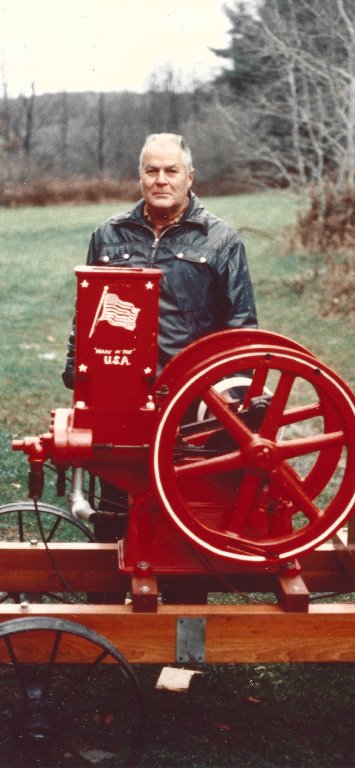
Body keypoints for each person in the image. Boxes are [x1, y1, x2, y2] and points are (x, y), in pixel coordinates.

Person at [62, 132, 258, 543]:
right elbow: (86, 313)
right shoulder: (109, 234)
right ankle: (109, 576)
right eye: (152, 171)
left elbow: (241, 327)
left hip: (188, 401)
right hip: (119, 397)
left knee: (184, 513)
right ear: (140, 176)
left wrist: (229, 403)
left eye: (172, 171)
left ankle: (182, 583)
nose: (161, 180)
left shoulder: (220, 239)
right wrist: (76, 370)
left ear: (190, 177)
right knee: (116, 505)